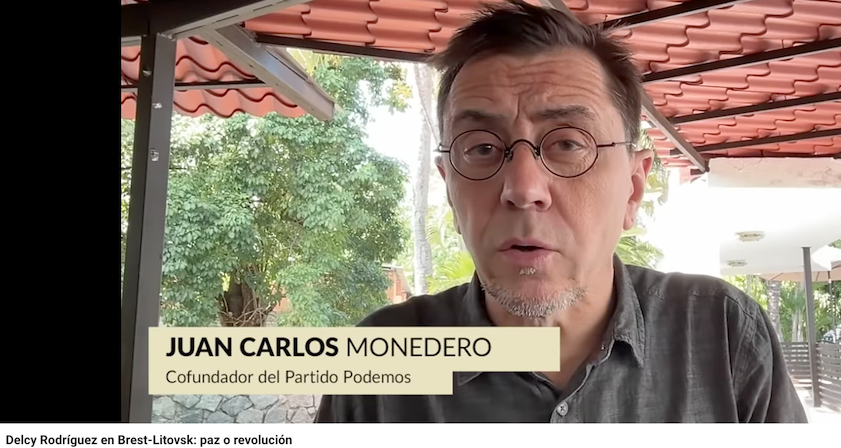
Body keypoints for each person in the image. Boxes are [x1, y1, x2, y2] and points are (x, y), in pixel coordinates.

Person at [314, 0, 807, 423]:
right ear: (449, 189)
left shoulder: (724, 335)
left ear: (633, 188)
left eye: (568, 143)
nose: (523, 189)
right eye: (482, 148)